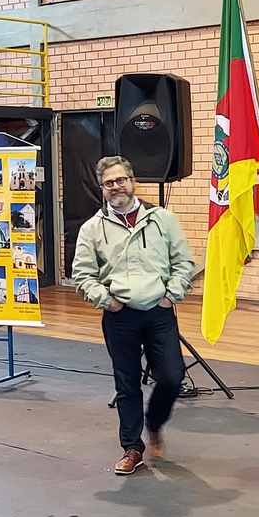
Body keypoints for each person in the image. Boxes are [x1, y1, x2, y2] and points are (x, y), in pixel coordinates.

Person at [72, 156, 196, 475]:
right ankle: (132, 448)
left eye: (120, 180)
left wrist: (171, 295)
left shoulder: (162, 220)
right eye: (108, 183)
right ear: (102, 188)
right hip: (119, 315)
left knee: (172, 377)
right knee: (127, 385)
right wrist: (106, 300)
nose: (116, 187)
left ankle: (153, 423)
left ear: (133, 181)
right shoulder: (92, 229)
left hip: (159, 311)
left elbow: (184, 263)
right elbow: (82, 274)